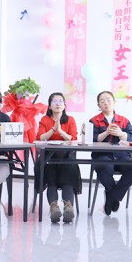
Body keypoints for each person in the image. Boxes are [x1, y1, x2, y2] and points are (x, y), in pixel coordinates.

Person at [89, 91, 132, 216]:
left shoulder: (124, 120)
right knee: (104, 168)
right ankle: (113, 195)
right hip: (102, 155)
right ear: (98, 105)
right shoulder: (94, 121)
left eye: (108, 100)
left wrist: (121, 134)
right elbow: (90, 139)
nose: (106, 103)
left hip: (122, 155)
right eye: (102, 101)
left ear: (114, 102)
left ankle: (112, 196)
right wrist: (106, 132)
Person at [36, 92, 81, 223]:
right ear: (49, 106)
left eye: (60, 101)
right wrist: (53, 129)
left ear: (64, 105)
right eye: (54, 101)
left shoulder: (70, 119)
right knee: (50, 176)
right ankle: (54, 208)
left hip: (66, 156)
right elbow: (40, 138)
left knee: (68, 173)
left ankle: (68, 208)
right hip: (49, 156)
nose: (58, 104)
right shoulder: (45, 120)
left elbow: (73, 138)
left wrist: (60, 131)